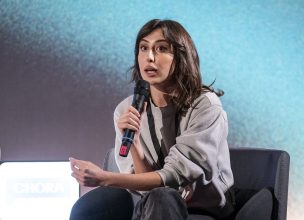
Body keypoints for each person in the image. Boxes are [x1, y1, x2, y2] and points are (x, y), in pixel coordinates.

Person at [69, 19, 235, 220]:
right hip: (151, 205)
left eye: (161, 48)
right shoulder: (126, 109)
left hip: (202, 210)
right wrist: (135, 146)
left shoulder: (205, 105)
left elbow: (173, 179)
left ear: (181, 56)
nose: (149, 57)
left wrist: (104, 178)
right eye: (143, 48)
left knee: (162, 198)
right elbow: (145, 191)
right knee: (91, 208)